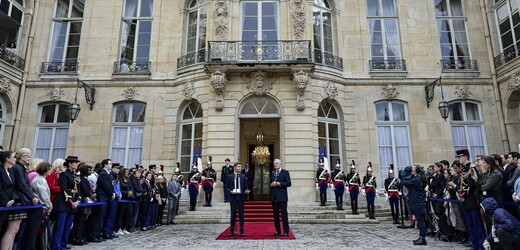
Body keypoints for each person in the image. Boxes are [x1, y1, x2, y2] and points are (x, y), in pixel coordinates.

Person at [456, 148, 485, 249]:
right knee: (470, 224)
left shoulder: (471, 168)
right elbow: (460, 184)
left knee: (477, 224)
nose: (459, 159)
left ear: (464, 156)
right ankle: (475, 244)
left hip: (472, 199)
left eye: (460, 157)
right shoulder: (464, 169)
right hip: (465, 201)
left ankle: (481, 245)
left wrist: (463, 195)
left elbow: (472, 184)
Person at [12, 148, 40, 250]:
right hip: (19, 200)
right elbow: (22, 185)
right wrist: (32, 196)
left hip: (23, 199)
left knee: (18, 228)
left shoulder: (21, 168)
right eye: (28, 156)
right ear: (22, 156)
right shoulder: (18, 168)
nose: (29, 158)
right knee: (14, 229)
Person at [52, 156, 81, 250]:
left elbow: (78, 190)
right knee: (60, 227)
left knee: (67, 227)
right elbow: (63, 189)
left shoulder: (75, 176)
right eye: (75, 162)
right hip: (64, 203)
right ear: (69, 163)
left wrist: (77, 201)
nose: (76, 164)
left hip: (73, 204)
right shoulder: (64, 174)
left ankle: (63, 246)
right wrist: (71, 202)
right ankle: (56, 246)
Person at [0, 151, 26, 250]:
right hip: (3, 202)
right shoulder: (0, 170)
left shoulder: (10, 171)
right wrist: (5, 201)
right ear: (7, 158)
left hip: (10, 203)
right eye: (13, 157)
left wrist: (12, 199)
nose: (15, 159)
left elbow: (13, 187)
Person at [401, 165, 427, 246]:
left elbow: (405, 183)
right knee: (419, 221)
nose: (411, 170)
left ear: (416, 171)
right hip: (416, 202)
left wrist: (403, 175)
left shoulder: (417, 179)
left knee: (421, 221)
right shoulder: (415, 178)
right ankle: (421, 237)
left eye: (412, 169)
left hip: (418, 203)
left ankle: (422, 238)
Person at [30, 161, 53, 249]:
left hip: (41, 206)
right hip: (39, 207)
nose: (50, 171)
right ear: (45, 170)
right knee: (34, 229)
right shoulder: (40, 180)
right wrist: (49, 205)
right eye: (49, 169)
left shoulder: (41, 179)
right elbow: (43, 195)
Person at [71, 163, 93, 246]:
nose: (90, 171)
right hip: (82, 200)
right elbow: (84, 190)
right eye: (88, 170)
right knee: (79, 221)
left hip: (85, 200)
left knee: (83, 221)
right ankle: (77, 238)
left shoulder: (85, 178)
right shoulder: (82, 179)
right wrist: (91, 194)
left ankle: (80, 237)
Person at [226, 162, 250, 237]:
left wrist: (246, 190)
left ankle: (242, 230)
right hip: (233, 197)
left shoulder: (243, 176)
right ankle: (232, 230)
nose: (240, 168)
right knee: (233, 214)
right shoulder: (230, 176)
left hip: (241, 197)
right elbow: (226, 187)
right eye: (238, 167)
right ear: (235, 168)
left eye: (240, 167)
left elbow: (246, 186)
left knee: (241, 215)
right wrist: (230, 191)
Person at [270, 159, 291, 236]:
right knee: (276, 216)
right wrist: (271, 184)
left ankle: (286, 231)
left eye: (277, 163)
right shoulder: (272, 173)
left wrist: (279, 183)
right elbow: (270, 183)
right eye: (275, 163)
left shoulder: (285, 172)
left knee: (284, 215)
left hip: (282, 197)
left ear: (280, 164)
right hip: (274, 197)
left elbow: (289, 183)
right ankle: (277, 230)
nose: (276, 165)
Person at [96, 159, 115, 239]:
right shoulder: (103, 174)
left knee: (105, 216)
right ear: (105, 165)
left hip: (107, 197)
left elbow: (111, 185)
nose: (111, 165)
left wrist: (112, 193)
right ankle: (98, 234)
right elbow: (106, 186)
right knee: (101, 217)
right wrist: (112, 193)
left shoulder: (108, 174)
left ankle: (104, 232)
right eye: (109, 164)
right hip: (103, 197)